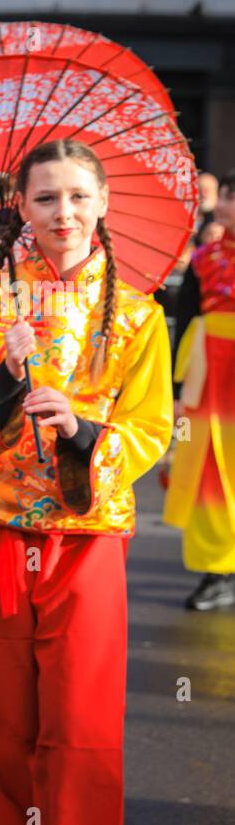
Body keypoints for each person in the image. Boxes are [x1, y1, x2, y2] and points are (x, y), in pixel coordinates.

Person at [0, 138, 173, 825]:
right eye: (45, 198)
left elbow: (152, 428)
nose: (63, 213)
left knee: (82, 720)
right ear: (22, 208)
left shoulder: (138, 316)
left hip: (86, 537)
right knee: (0, 722)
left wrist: (83, 432)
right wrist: (3, 380)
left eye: (76, 196)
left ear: (102, 202)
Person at [164, 170, 235, 610]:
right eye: (226, 195)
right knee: (205, 466)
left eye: (232, 196)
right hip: (207, 377)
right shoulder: (203, 258)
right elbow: (186, 321)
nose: (226, 203)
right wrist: (174, 390)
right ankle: (217, 568)